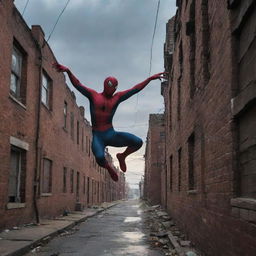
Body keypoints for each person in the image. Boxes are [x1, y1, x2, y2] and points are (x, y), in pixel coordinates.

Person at [53, 62, 165, 181]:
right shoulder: (94, 96)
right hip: (98, 137)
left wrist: (149, 79)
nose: (112, 90)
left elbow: (134, 89)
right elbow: (78, 85)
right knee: (99, 156)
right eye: (110, 86)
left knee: (138, 142)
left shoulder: (117, 97)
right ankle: (109, 168)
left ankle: (122, 156)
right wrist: (68, 71)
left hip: (111, 134)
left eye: (114, 88)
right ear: (105, 85)